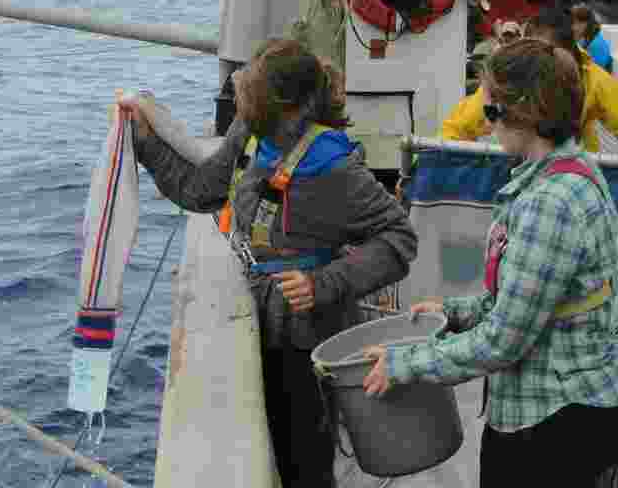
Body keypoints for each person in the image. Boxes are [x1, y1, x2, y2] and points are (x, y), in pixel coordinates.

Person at [118, 38, 417, 488]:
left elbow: (400, 239)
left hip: (308, 337)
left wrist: (324, 282)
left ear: (290, 107)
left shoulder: (336, 169)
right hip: (257, 317)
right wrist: (144, 143)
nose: (240, 94)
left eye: (252, 89)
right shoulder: (249, 134)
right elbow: (201, 189)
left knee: (306, 461)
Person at [362, 39, 618, 487]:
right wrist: (454, 312)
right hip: (556, 416)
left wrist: (404, 363)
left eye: (490, 113)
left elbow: (504, 342)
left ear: (524, 114)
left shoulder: (551, 204)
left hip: (552, 426)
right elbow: (529, 301)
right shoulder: (569, 173)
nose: (488, 127)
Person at [441, 0, 618, 189]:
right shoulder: (509, 78)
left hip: (576, 178)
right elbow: (458, 128)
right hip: (523, 173)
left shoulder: (596, 81)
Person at [572, 2, 612, 72]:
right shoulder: (584, 38)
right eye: (573, 23)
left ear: (588, 23)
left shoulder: (597, 44)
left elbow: (593, 72)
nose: (574, 27)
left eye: (579, 23)